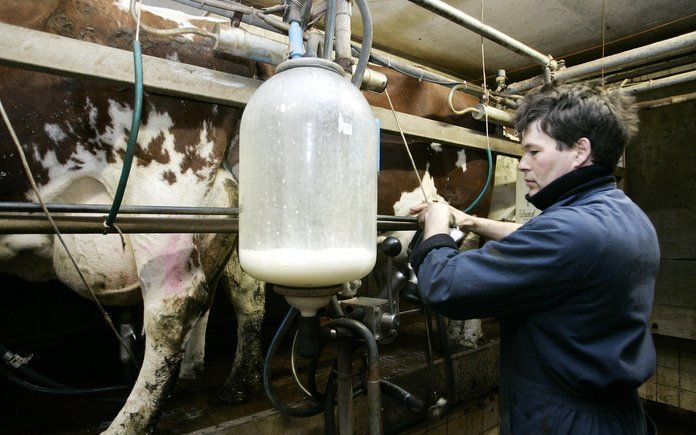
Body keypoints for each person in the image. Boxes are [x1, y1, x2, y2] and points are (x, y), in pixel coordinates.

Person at [410, 83, 658, 435]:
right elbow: (543, 242)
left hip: (565, 422)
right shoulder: (622, 213)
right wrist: (471, 220)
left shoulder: (572, 230)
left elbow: (446, 286)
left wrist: (435, 227)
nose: (523, 164)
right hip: (615, 412)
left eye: (533, 151)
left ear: (579, 151)